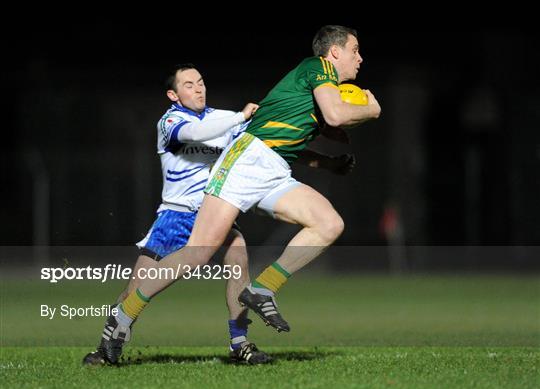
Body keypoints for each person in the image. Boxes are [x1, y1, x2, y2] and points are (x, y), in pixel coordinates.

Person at [97, 25, 381, 363]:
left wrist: (328, 162)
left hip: (273, 170)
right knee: (197, 255)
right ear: (334, 52)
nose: (360, 57)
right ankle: (122, 317)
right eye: (354, 49)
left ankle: (261, 293)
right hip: (237, 168)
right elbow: (337, 113)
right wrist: (370, 108)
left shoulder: (313, 96)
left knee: (329, 224)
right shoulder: (317, 67)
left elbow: (288, 138)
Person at [83, 64, 272, 365]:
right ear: (174, 94)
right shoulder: (170, 121)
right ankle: (105, 347)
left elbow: (262, 139)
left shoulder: (222, 118)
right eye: (188, 85)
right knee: (136, 289)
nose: (198, 88)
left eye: (200, 82)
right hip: (175, 217)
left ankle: (240, 343)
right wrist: (239, 117)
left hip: (211, 213)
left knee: (238, 259)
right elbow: (197, 132)